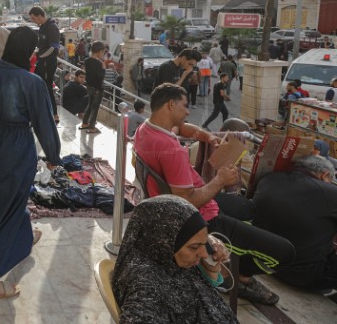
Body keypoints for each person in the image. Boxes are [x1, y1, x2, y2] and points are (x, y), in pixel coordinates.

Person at [133, 83, 295, 304]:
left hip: (185, 200)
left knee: (247, 207)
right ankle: (241, 275)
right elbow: (186, 202)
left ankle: (233, 253)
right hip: (200, 216)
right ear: (171, 105)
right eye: (185, 106)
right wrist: (219, 180)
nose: (188, 111)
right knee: (285, 253)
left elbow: (182, 128)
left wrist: (207, 137)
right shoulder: (171, 150)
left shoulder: (147, 129)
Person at [0, 26, 61, 299]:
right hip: (18, 146)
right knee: (12, 202)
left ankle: (24, 238)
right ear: (28, 52)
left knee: (4, 200)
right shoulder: (32, 82)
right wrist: (53, 156)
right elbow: (44, 124)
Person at [112, 195, 237, 324]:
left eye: (204, 244)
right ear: (163, 241)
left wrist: (210, 263)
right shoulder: (146, 286)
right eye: (194, 247)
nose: (205, 254)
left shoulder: (168, 260)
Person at [253, 155, 337, 291]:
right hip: (301, 275)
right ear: (325, 175)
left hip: (258, 260)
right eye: (330, 180)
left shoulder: (269, 178)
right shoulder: (331, 194)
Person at [29, 6, 61, 124]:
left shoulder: (52, 27)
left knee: (47, 86)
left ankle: (54, 114)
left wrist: (39, 56)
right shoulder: (43, 27)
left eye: (33, 18)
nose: (33, 21)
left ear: (39, 16)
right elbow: (40, 45)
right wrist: (34, 53)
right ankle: (41, 111)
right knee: (37, 84)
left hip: (49, 61)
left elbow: (53, 47)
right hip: (42, 61)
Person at [80, 41, 106, 134]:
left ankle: (84, 123)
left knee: (90, 105)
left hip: (89, 87)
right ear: (99, 52)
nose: (103, 54)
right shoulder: (99, 64)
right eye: (103, 52)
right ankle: (92, 127)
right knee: (95, 108)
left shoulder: (87, 60)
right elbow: (100, 77)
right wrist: (103, 68)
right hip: (97, 89)